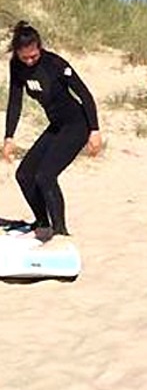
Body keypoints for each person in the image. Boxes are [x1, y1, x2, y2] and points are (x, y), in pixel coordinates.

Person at [3, 21, 102, 242]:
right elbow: (15, 102)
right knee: (24, 175)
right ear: (17, 53)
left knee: (45, 176)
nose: (29, 61)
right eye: (24, 57)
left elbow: (84, 95)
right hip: (56, 126)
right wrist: (9, 136)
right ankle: (43, 224)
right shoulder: (16, 66)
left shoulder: (54, 64)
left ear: (40, 47)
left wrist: (94, 130)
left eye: (33, 56)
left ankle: (60, 233)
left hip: (77, 125)